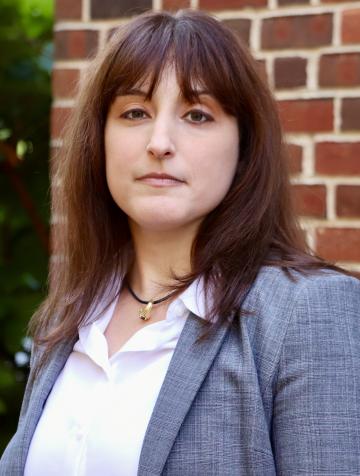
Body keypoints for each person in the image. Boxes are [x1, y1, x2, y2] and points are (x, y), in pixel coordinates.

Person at [1, 8, 359, 476]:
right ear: (99, 139)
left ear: (244, 147)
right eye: (135, 112)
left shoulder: (308, 312)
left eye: (196, 114)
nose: (160, 142)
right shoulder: (71, 319)